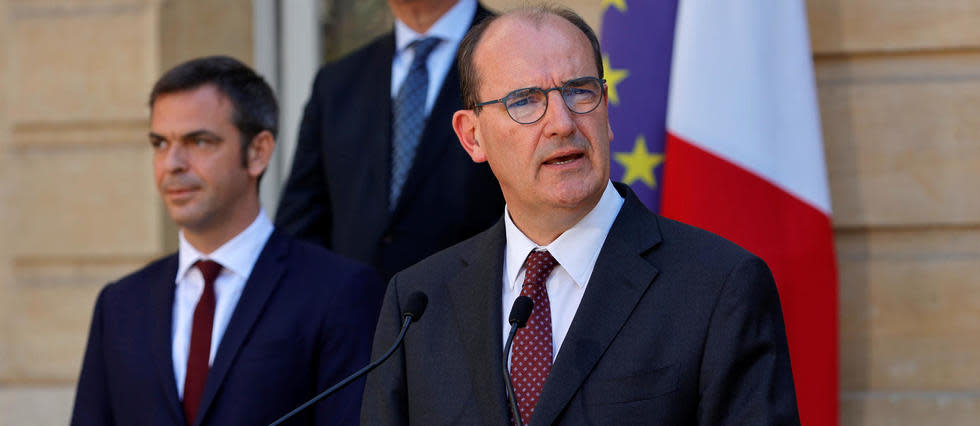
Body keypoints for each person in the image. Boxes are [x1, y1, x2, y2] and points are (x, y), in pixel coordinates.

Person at [361, 6, 800, 425]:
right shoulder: (417, 304)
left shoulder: (719, 287)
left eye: (579, 92)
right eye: (526, 100)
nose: (562, 122)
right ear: (472, 136)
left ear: (606, 110)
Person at [70, 56, 385, 426]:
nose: (172, 163)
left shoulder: (339, 292)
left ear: (258, 152)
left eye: (198, 141)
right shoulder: (120, 305)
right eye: (160, 143)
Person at [275, 0, 504, 281]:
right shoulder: (337, 83)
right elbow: (299, 227)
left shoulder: (520, 59)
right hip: (356, 319)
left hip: (477, 312)